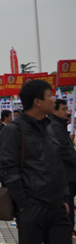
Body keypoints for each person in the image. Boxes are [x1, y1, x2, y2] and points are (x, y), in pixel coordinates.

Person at [0, 80, 76, 244]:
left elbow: (58, 165)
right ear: (38, 101)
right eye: (50, 95)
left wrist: (64, 197)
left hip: (57, 207)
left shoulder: (51, 127)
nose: (55, 99)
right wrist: (24, 205)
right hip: (32, 208)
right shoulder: (14, 130)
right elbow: (8, 171)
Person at [48, 99, 76, 236]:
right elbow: (64, 151)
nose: (67, 112)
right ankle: (68, 233)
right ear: (54, 110)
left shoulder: (59, 124)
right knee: (67, 206)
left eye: (67, 109)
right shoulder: (55, 126)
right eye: (63, 109)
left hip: (68, 173)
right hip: (66, 174)